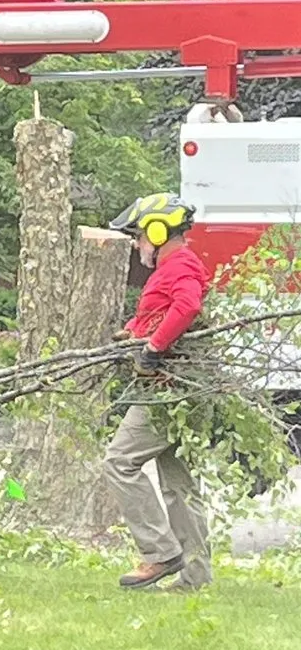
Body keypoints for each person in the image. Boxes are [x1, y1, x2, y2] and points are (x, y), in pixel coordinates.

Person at [105, 193, 212, 591]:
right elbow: (159, 311)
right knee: (178, 485)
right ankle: (195, 578)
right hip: (177, 393)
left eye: (139, 237)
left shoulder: (179, 264)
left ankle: (159, 553)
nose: (137, 245)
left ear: (157, 230)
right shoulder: (174, 265)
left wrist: (152, 349)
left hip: (163, 390)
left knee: (119, 462)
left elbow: (185, 307)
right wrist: (132, 333)